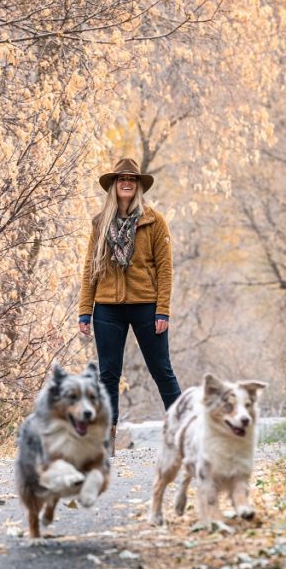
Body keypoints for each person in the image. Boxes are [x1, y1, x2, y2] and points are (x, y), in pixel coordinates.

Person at [78, 158, 182, 454]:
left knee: (162, 369)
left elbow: (165, 269)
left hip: (146, 305)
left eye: (132, 179)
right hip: (107, 307)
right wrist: (85, 310)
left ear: (137, 186)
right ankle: (106, 439)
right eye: (121, 178)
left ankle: (182, 430)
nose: (126, 182)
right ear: (113, 185)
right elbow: (90, 269)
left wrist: (163, 310)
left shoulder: (154, 221)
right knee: (108, 373)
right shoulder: (100, 223)